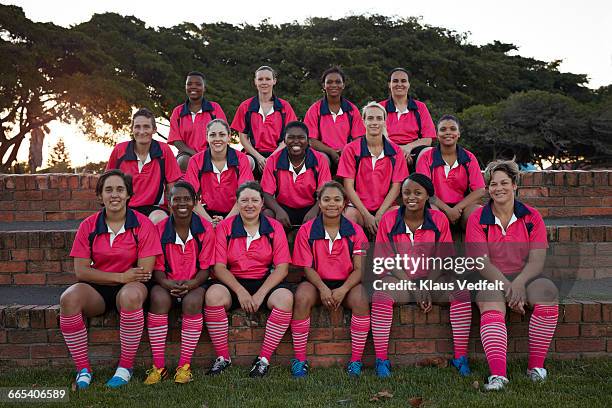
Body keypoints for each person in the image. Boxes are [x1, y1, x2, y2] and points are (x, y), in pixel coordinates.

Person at [59, 170, 162, 389]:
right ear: (100, 196)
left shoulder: (143, 224)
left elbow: (144, 271)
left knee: (131, 295)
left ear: (128, 195)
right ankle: (83, 370)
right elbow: (81, 271)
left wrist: (124, 279)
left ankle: (125, 367)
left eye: (119, 189)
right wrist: (121, 276)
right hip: (100, 288)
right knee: (68, 298)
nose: (114, 195)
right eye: (108, 190)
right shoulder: (88, 225)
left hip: (133, 287)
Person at [466, 160, 558, 391]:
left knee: (548, 294)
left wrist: (518, 284)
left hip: (524, 276)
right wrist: (510, 289)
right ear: (487, 189)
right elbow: (481, 263)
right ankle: (498, 375)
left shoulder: (531, 216)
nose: (499, 188)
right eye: (493, 184)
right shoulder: (477, 219)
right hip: (489, 278)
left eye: (504, 183)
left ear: (515, 185)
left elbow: (537, 260)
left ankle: (536, 368)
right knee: (491, 302)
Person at [371, 173, 463, 378]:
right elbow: (387, 260)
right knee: (380, 295)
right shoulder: (389, 219)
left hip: (432, 280)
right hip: (401, 281)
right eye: (406, 192)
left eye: (417, 193)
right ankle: (381, 360)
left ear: (428, 197)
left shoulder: (439, 219)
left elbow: (443, 258)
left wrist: (427, 286)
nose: (411, 197)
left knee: (461, 292)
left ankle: (461, 357)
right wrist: (414, 287)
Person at [204, 181, 294, 378]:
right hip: (233, 282)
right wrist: (241, 291)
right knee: (212, 296)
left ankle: (263, 359)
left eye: (254, 200)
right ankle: (223, 357)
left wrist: (261, 293)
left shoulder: (274, 227)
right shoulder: (225, 228)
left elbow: (282, 268)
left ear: (263, 203)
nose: (249, 205)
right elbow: (219, 268)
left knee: (285, 299)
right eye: (244, 200)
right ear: (237, 203)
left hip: (264, 280)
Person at [290, 181, 370, 378]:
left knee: (362, 298)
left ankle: (356, 361)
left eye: (337, 199)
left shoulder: (356, 231)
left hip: (347, 283)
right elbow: (307, 267)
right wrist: (323, 288)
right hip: (316, 282)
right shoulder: (307, 230)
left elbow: (360, 269)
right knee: (301, 297)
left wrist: (343, 289)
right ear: (319, 203)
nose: (331, 204)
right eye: (326, 199)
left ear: (344, 204)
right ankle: (300, 360)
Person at [144, 181, 215, 385]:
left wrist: (191, 284)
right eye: (177, 199)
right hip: (165, 282)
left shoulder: (205, 229)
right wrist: (169, 284)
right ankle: (159, 366)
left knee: (192, 302)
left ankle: (184, 365)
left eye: (187, 199)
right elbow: (156, 269)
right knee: (157, 298)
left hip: (196, 282)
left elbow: (206, 268)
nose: (182, 203)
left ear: (195, 202)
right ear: (169, 203)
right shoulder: (158, 230)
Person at [337, 102, 408, 235]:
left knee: (399, 214)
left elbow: (396, 187)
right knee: (348, 215)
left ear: (385, 121)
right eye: (370, 118)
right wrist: (367, 216)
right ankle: (356, 253)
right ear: (363, 121)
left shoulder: (396, 151)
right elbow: (348, 186)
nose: (374, 122)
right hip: (358, 208)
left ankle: (391, 255)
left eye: (379, 118)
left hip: (385, 208)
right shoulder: (351, 149)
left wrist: (380, 214)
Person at [106, 108, 182, 225]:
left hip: (154, 208)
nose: (141, 131)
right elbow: (108, 184)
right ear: (132, 129)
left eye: (146, 127)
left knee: (160, 220)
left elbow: (172, 188)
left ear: (154, 130)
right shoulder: (119, 150)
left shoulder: (164, 150)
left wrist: (175, 221)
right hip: (124, 207)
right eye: (137, 127)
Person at [416, 115, 485, 229]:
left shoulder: (469, 157)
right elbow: (424, 190)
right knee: (432, 214)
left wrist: (456, 209)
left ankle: (478, 246)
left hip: (462, 209)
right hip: (437, 206)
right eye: (443, 129)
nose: (448, 132)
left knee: (478, 213)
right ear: (437, 135)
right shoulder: (426, 157)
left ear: (458, 134)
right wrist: (448, 210)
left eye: (453, 129)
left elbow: (480, 190)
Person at [261, 121, 332, 227]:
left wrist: (314, 211)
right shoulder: (273, 160)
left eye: (301, 137)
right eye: (291, 137)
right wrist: (278, 211)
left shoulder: (320, 160)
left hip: (311, 207)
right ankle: (277, 242)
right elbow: (266, 193)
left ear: (308, 141)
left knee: (327, 213)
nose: (296, 141)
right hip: (283, 207)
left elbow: (326, 192)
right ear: (284, 140)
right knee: (267, 214)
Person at [184, 119, 254, 226]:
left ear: (229, 136)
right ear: (207, 137)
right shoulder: (196, 161)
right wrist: (210, 222)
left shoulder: (241, 159)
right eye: (212, 135)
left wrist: (225, 222)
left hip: (237, 212)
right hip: (206, 214)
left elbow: (245, 196)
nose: (217, 139)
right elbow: (189, 197)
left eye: (222, 134)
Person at [231, 66, 298, 173]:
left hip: (278, 153)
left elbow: (288, 137)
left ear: (274, 81)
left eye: (267, 79)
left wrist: (271, 158)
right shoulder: (245, 106)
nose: (264, 82)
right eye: (260, 79)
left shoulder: (285, 107)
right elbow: (242, 138)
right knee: (243, 162)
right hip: (253, 154)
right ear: (255, 82)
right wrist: (259, 158)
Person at [303, 67, 365, 168]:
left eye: (338, 82)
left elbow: (358, 139)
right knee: (322, 160)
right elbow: (311, 140)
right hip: (323, 152)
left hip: (347, 152)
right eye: (329, 82)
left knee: (361, 160)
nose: (334, 85)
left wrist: (346, 151)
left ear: (343, 85)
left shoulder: (352, 110)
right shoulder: (314, 110)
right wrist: (331, 152)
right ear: (324, 85)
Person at [168, 71, 227, 172]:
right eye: (189, 84)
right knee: (184, 161)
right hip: (186, 155)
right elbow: (177, 140)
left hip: (213, 153)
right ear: (185, 87)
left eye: (198, 84)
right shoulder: (178, 111)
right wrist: (197, 156)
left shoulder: (215, 108)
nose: (193, 87)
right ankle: (185, 187)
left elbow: (222, 135)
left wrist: (208, 154)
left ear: (204, 88)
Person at [379, 68, 436, 172]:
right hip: (386, 148)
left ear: (409, 84)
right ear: (389, 84)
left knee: (430, 153)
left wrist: (408, 148)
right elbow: (374, 135)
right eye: (395, 81)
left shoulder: (420, 107)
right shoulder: (380, 107)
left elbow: (428, 139)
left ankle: (425, 187)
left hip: (413, 150)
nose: (399, 84)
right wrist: (398, 150)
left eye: (403, 81)